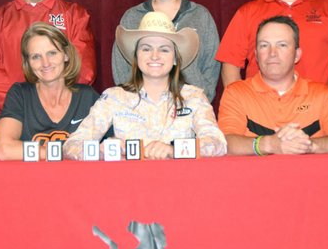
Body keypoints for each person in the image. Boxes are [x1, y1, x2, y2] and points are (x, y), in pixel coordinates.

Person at [64, 12, 226, 160]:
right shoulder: (114, 97)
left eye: (164, 50)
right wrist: (101, 150)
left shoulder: (194, 97)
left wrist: (174, 149)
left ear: (176, 58)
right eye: (146, 49)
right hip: (127, 186)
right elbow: (72, 146)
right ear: (136, 56)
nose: (154, 56)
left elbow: (218, 144)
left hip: (180, 185)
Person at [218, 16, 328, 155]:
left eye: (282, 45)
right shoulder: (236, 93)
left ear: (297, 55)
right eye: (264, 45)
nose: (272, 53)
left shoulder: (321, 94)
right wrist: (268, 144)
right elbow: (223, 143)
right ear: (256, 55)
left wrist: (309, 146)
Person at [112, 0, 220, 101]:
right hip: (142, 110)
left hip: (190, 108)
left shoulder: (201, 16)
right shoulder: (132, 18)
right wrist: (133, 104)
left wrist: (202, 98)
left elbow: (212, 66)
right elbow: (121, 68)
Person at [0, 22, 99, 160]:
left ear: (66, 55)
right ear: (28, 62)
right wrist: (63, 153)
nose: (45, 63)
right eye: (36, 56)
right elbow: (4, 150)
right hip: (31, 179)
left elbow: (114, 144)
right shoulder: (20, 94)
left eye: (52, 53)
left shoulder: (87, 97)